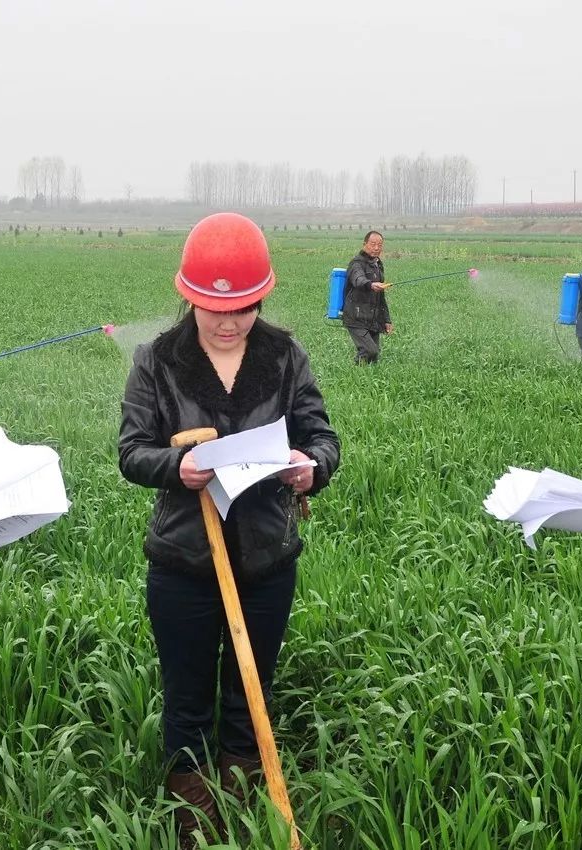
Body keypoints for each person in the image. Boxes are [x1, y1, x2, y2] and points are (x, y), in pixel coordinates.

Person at [119, 212, 340, 845]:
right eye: (214, 309)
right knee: (187, 698)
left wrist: (310, 467)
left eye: (242, 308)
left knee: (250, 688)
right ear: (187, 297)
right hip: (185, 560)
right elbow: (132, 450)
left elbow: (321, 435)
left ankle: (243, 795)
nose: (228, 321)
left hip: (266, 556)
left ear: (261, 298)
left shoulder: (284, 355)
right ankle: (191, 815)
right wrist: (175, 466)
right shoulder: (158, 360)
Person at [342, 230, 392, 364]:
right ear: (365, 244)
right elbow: (358, 280)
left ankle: (365, 381)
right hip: (356, 317)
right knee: (370, 351)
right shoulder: (356, 264)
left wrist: (387, 320)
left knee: (374, 357)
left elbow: (381, 298)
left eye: (380, 245)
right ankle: (353, 375)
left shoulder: (377, 265)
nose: (376, 248)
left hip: (372, 318)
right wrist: (370, 284)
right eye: (373, 244)